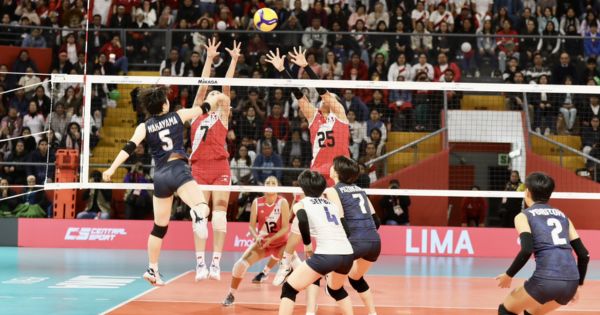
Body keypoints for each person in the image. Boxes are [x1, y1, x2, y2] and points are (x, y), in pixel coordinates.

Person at [102, 86, 229, 286]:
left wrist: (111, 169)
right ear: (164, 104)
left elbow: (128, 148)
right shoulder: (178, 115)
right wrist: (219, 96)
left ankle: (152, 269)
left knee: (159, 228)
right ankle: (196, 214)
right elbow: (206, 106)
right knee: (202, 208)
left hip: (160, 177)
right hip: (178, 170)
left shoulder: (144, 127)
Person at [266, 47, 351, 289]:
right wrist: (285, 70)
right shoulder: (315, 118)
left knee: (334, 219)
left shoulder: (341, 116)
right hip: (315, 174)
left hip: (335, 176)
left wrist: (308, 68)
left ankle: (334, 268)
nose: (327, 101)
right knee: (297, 215)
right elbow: (298, 95)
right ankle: (286, 260)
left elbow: (323, 92)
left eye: (330, 99)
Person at [496, 173, 589, 315]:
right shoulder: (563, 216)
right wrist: (578, 285)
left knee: (506, 310)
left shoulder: (523, 216)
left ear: (527, 192)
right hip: (571, 282)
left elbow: (527, 250)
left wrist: (509, 275)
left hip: (545, 280)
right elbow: (584, 254)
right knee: (532, 312)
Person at [188, 38, 240, 281]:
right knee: (200, 214)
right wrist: (209, 58)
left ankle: (216, 263)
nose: (217, 93)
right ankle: (200, 263)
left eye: (219, 93)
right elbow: (202, 86)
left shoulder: (223, 116)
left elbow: (226, 87)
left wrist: (233, 60)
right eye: (214, 92)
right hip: (198, 168)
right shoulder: (196, 112)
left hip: (220, 167)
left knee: (219, 214)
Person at [279, 170, 354, 315]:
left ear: (302, 188)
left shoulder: (301, 203)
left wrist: (307, 247)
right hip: (347, 254)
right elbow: (347, 231)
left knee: (289, 288)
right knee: (336, 290)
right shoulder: (332, 205)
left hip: (327, 255)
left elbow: (303, 220)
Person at [323, 156, 381, 315]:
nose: (330, 167)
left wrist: (349, 243)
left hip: (355, 241)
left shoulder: (332, 190)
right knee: (356, 279)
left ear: (336, 172)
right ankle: (372, 313)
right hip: (374, 242)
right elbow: (377, 221)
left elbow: (341, 222)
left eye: (333, 165)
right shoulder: (360, 190)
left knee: (333, 288)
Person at [223, 176, 291, 306]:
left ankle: (305, 301)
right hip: (263, 244)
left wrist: (271, 239)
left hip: (281, 244)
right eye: (267, 182)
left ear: (278, 187)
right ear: (263, 186)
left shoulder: (282, 202)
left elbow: (285, 228)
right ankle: (231, 294)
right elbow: (251, 226)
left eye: (273, 183)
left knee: (297, 269)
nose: (270, 185)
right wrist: (256, 237)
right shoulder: (257, 202)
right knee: (240, 265)